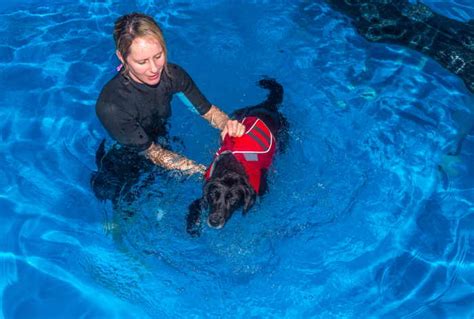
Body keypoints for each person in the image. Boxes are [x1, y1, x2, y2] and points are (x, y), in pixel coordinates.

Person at [92, 12, 244, 203]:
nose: (154, 68)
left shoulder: (172, 76)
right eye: (142, 62)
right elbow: (151, 152)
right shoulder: (112, 105)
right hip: (125, 155)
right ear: (122, 58)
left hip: (161, 139)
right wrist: (203, 172)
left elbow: (208, 111)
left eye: (158, 56)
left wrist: (228, 125)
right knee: (119, 200)